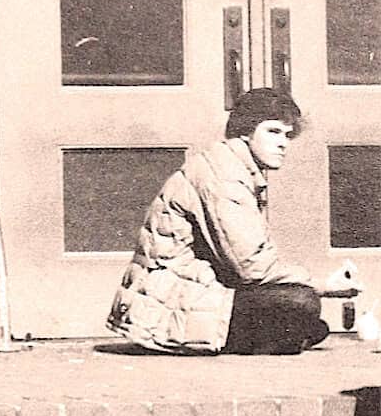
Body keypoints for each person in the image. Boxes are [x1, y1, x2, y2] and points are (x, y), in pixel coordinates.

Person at [108, 87, 362, 354]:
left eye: (287, 135)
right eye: (273, 131)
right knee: (302, 301)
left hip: (186, 293)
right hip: (164, 306)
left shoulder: (231, 166)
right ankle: (271, 337)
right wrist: (321, 285)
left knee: (304, 316)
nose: (283, 143)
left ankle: (278, 336)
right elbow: (252, 268)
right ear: (245, 130)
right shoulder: (224, 177)